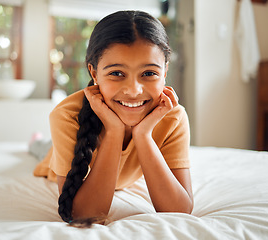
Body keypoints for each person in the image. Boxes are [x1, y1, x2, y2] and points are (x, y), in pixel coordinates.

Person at [33, 10, 193, 226]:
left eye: (148, 73)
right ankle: (35, 140)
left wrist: (143, 134)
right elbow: (84, 214)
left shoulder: (172, 117)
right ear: (94, 73)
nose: (134, 91)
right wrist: (114, 131)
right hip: (51, 156)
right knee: (40, 147)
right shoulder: (66, 117)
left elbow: (179, 210)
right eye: (117, 73)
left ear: (165, 71)